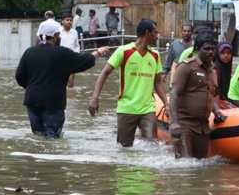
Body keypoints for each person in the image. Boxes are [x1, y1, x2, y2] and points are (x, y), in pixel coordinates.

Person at [15, 21, 108, 138]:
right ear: (54, 37)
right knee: (52, 139)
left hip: (32, 101)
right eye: (58, 35)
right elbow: (82, 60)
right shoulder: (62, 53)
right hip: (53, 103)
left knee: (38, 136)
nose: (59, 38)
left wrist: (32, 87)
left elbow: (19, 77)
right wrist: (97, 52)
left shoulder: (29, 52)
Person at [88, 19, 168, 147]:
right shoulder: (123, 51)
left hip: (148, 109)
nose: (157, 36)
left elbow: (158, 83)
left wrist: (166, 104)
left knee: (151, 145)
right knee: (124, 148)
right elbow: (104, 73)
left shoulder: (155, 55)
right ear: (147, 33)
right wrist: (94, 97)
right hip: (126, 108)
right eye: (155, 33)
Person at [169, 31, 226, 159]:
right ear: (197, 49)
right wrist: (174, 123)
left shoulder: (213, 72)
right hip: (185, 125)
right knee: (186, 167)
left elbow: (211, 95)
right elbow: (174, 94)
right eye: (207, 49)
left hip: (203, 127)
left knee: (199, 168)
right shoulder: (186, 67)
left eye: (213, 49)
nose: (211, 52)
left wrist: (217, 111)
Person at [59, 13, 81, 88]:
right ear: (62, 21)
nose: (69, 22)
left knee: (71, 83)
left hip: (71, 58)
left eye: (70, 20)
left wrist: (77, 56)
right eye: (67, 20)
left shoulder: (74, 32)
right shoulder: (58, 32)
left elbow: (76, 46)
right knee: (60, 80)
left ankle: (71, 97)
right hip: (60, 58)